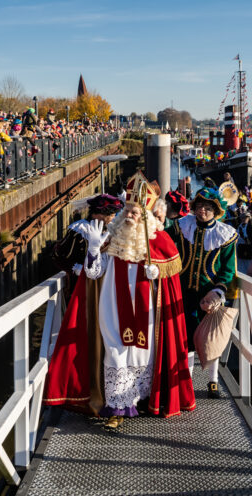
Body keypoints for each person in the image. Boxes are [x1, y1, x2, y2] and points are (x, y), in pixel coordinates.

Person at [83, 173, 194, 426]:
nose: (131, 215)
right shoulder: (111, 238)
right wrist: (92, 250)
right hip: (112, 307)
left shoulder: (158, 240)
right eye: (128, 211)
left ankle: (140, 400)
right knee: (114, 351)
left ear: (145, 216)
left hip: (147, 310)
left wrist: (157, 274)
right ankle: (117, 409)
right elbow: (94, 273)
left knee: (143, 355)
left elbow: (173, 271)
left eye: (136, 212)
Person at [44, 194, 125, 416]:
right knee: (83, 336)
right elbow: (59, 256)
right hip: (83, 292)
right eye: (106, 213)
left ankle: (111, 392)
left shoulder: (117, 231)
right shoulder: (80, 230)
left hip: (109, 293)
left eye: (112, 213)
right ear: (95, 213)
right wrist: (75, 269)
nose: (110, 217)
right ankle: (82, 391)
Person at [165, 187, 237, 399]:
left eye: (207, 208)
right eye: (198, 207)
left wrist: (217, 292)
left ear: (216, 210)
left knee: (211, 339)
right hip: (184, 293)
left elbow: (228, 269)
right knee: (186, 338)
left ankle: (213, 381)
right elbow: (161, 240)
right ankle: (186, 381)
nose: (202, 211)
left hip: (210, 295)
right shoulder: (182, 226)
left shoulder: (225, 235)